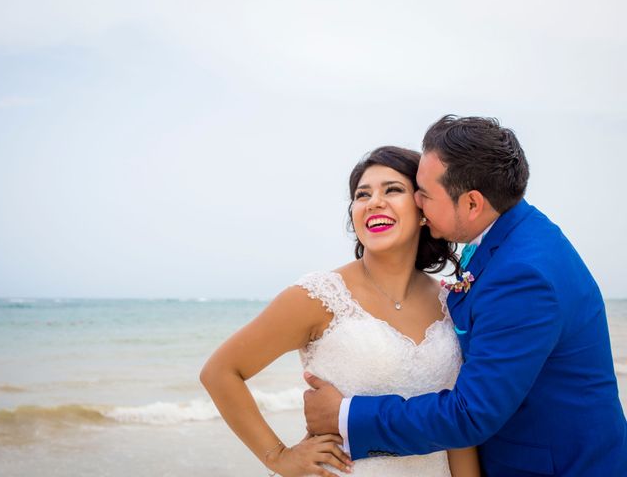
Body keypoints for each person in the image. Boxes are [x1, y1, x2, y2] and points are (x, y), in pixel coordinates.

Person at [303, 115, 627, 476]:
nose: (417, 201)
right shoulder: (511, 229)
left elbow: (473, 413)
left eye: (424, 192)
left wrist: (345, 416)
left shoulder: (524, 275)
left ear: (472, 203)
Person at [200, 146, 481, 476]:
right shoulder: (319, 295)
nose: (374, 201)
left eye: (393, 190)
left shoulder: (451, 303)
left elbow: (459, 429)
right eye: (363, 195)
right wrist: (278, 456)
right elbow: (220, 372)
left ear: (422, 210)